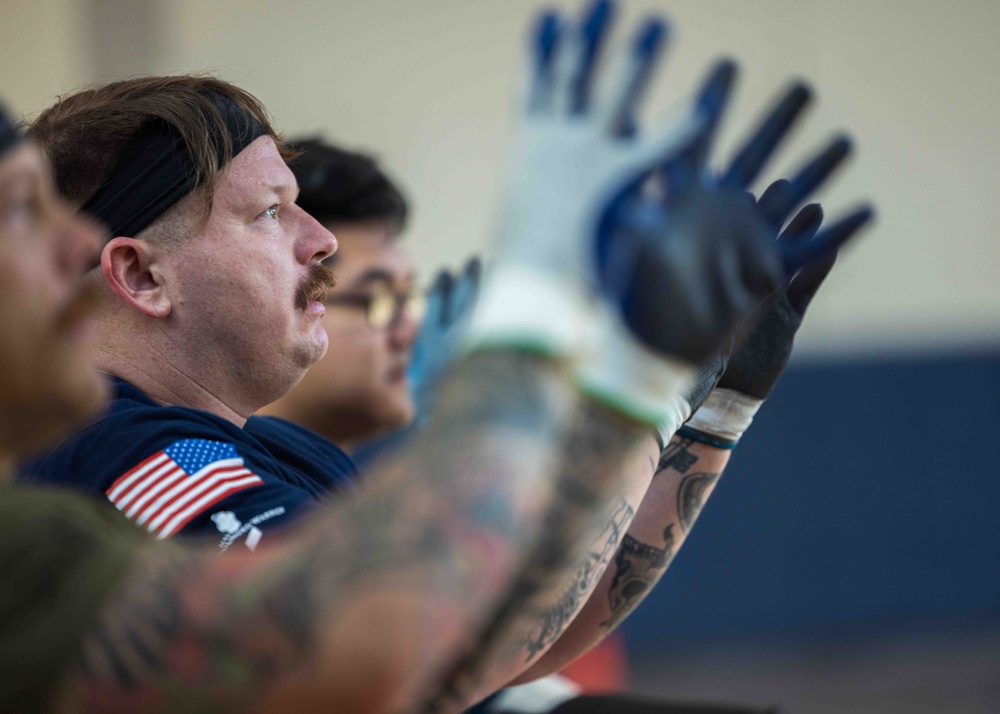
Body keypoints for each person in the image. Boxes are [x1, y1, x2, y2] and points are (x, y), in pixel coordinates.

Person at [14, 1, 871, 710]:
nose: (321, 243)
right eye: (270, 212)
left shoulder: (276, 447)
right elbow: (383, 654)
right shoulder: (140, 460)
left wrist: (709, 408)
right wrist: (589, 343)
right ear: (139, 273)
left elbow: (496, 641)